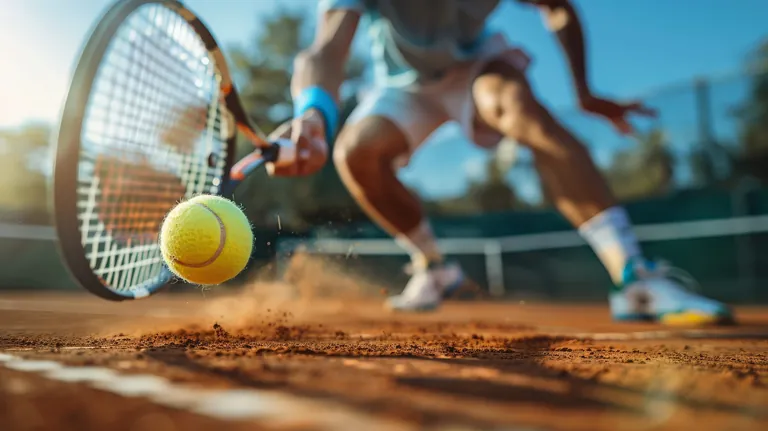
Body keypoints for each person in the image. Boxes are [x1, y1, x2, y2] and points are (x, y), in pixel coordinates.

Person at [267, 0, 734, 325]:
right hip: (401, 86)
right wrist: (312, 114)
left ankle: (634, 277)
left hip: (477, 66)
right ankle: (435, 268)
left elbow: (557, 6)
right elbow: (326, 48)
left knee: (520, 107)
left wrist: (585, 92)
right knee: (355, 154)